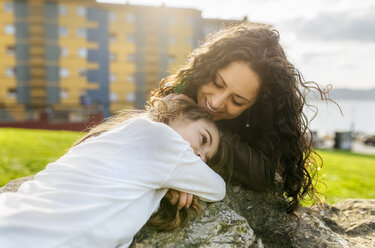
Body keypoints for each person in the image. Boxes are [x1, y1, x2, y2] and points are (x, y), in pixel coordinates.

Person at [0, 100, 226, 248]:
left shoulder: (131, 139)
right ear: (180, 114)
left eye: (205, 159)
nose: (199, 157)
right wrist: (188, 179)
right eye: (203, 139)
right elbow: (218, 189)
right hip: (24, 233)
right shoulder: (160, 138)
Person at [152, 22, 327, 213]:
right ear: (207, 68)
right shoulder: (180, 92)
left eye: (237, 101)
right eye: (217, 83)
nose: (216, 102)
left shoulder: (258, 124)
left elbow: (263, 173)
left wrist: (205, 136)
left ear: (255, 108)